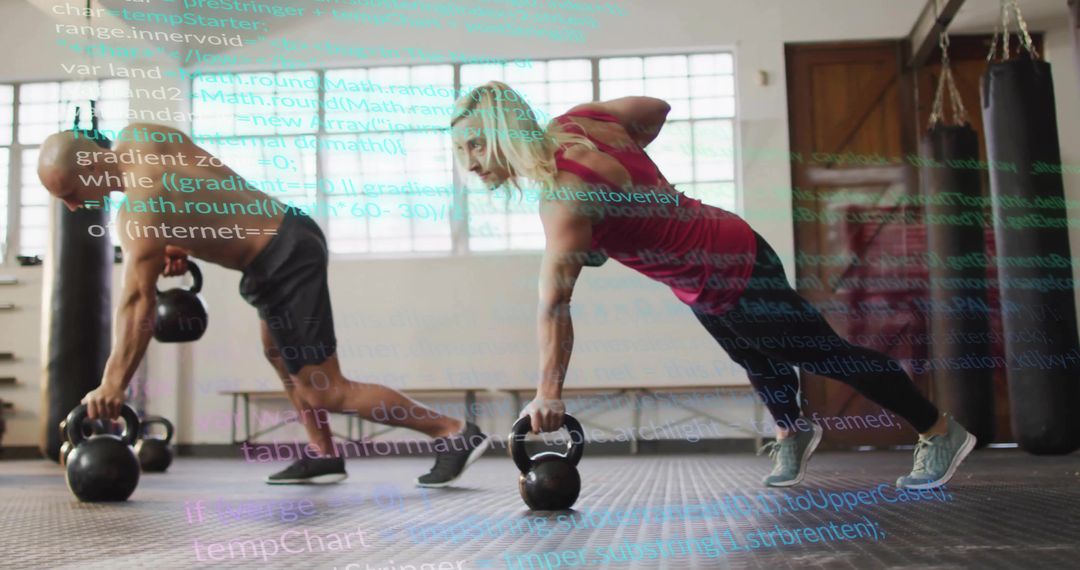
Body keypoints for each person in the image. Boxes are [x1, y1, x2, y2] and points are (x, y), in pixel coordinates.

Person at [448, 81, 975, 490]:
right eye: (461, 151)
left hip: (730, 269)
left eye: (475, 145)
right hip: (711, 263)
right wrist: (640, 188)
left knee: (825, 354)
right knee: (751, 353)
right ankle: (793, 430)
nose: (469, 163)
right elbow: (655, 109)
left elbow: (555, 306)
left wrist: (548, 393)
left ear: (503, 131)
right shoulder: (581, 121)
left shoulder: (564, 199)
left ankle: (937, 429)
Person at [37, 124, 489, 487]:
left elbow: (137, 303)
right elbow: (219, 181)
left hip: (281, 255)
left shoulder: (138, 211)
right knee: (278, 356)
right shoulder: (143, 137)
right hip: (285, 233)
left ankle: (451, 432)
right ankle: (323, 453)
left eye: (70, 193)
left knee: (324, 389)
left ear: (90, 167)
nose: (74, 207)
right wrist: (180, 239)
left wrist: (112, 384)